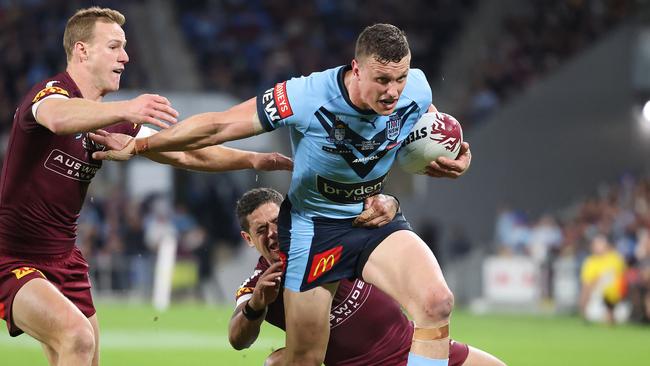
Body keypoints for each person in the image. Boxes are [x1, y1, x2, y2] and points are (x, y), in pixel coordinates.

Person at [94, 23, 472, 365]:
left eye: (400, 79)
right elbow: (218, 125)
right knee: (305, 357)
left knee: (436, 304)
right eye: (382, 80)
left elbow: (430, 131)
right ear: (356, 69)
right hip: (314, 229)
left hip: (373, 219)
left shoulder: (416, 89)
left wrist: (455, 158)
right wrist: (142, 146)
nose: (392, 92)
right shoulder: (304, 95)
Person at [0, 7, 290, 366]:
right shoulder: (51, 93)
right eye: (114, 46)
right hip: (12, 256)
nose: (126, 56)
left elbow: (186, 155)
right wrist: (129, 108)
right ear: (82, 51)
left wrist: (249, 159)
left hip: (65, 258)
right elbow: (59, 118)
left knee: (84, 354)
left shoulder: (113, 122)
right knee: (76, 337)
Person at [230, 188, 505, 366]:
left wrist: (391, 201)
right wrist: (256, 306)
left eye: (278, 222)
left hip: (413, 346)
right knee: (276, 363)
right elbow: (237, 339)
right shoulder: (261, 284)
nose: (273, 233)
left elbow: (379, 210)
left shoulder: (329, 237)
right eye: (261, 229)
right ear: (248, 238)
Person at [579, 234, 627, 325]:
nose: (596, 247)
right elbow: (587, 284)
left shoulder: (615, 258)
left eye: (599, 244)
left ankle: (611, 313)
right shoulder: (590, 261)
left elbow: (618, 277)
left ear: (606, 245)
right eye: (595, 245)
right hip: (597, 295)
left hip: (617, 296)